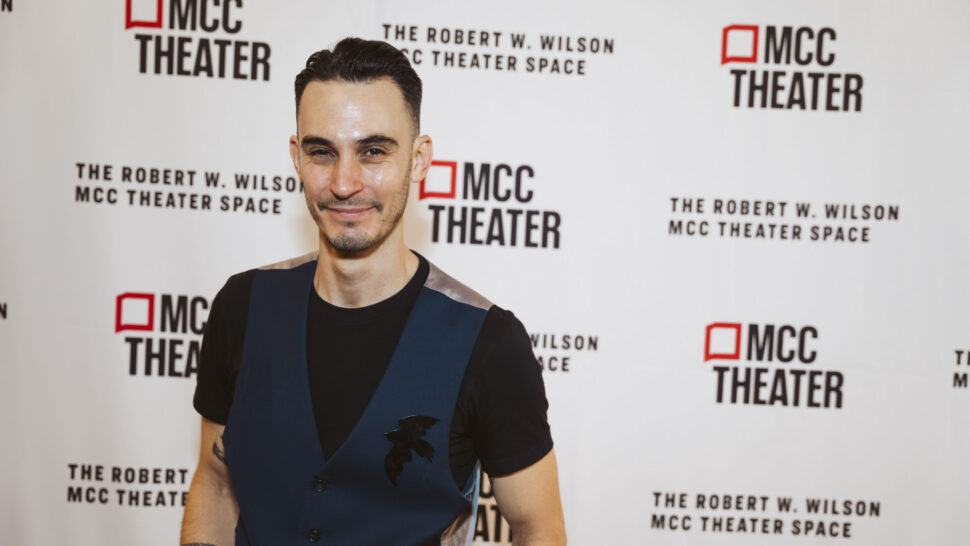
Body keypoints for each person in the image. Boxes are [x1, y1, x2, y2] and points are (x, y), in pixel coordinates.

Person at [179, 37, 566, 546]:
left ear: (419, 159)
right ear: (296, 157)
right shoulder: (242, 307)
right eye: (322, 152)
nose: (344, 183)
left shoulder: (488, 343)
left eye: (373, 152)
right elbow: (215, 482)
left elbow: (538, 527)